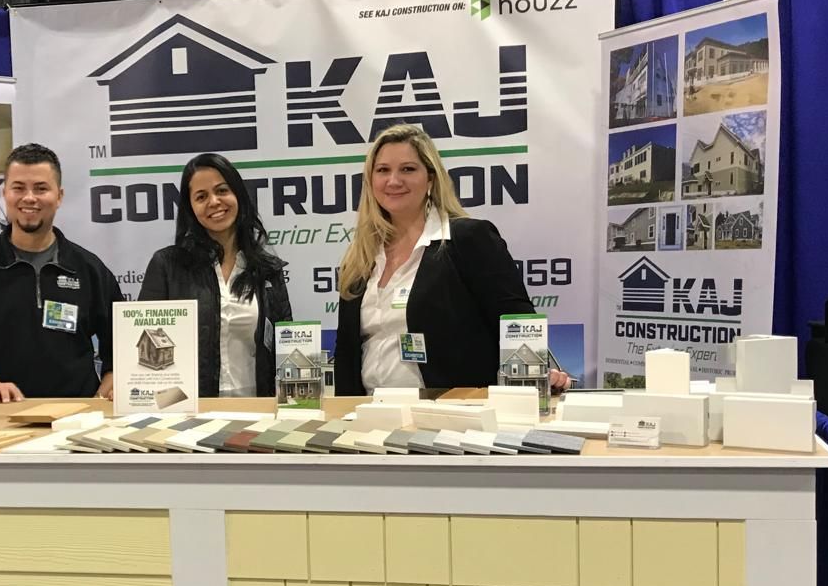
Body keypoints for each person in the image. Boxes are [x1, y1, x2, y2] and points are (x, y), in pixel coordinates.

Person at [333, 122, 570, 395]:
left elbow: (516, 321)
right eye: (383, 170)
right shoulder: (360, 257)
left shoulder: (468, 239)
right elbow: (347, 350)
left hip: (451, 412)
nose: (394, 180)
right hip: (370, 415)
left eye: (408, 169)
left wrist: (535, 376)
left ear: (431, 178)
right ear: (371, 180)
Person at [0, 143, 119, 401]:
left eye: (41, 188)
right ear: (6, 193)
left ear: (59, 196)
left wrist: (112, 379)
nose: (29, 197)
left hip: (76, 419)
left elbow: (121, 340)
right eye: (18, 188)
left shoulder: (89, 269)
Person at [138, 154, 293, 398]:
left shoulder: (267, 270)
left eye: (222, 190)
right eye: (201, 197)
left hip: (256, 412)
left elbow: (287, 347)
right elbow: (147, 349)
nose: (214, 202)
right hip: (189, 416)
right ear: (190, 208)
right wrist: (170, 407)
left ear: (238, 194)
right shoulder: (167, 265)